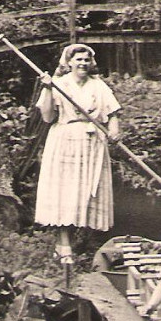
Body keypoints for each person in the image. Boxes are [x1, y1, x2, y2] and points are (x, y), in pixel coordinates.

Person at [34, 44, 121, 264]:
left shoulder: (98, 86)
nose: (82, 63)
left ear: (91, 63)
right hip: (65, 140)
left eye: (86, 59)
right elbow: (46, 117)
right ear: (69, 62)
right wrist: (46, 88)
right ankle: (64, 246)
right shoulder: (59, 84)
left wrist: (114, 130)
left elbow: (112, 113)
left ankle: (77, 242)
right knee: (66, 192)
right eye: (78, 59)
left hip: (92, 142)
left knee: (85, 192)